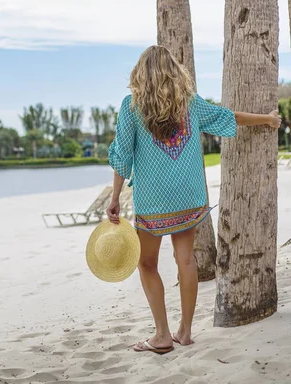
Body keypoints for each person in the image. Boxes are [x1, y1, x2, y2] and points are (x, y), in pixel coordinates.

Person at [107, 45, 281, 355]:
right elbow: (229, 117)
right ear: (174, 72)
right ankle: (184, 333)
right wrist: (267, 120)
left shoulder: (131, 107)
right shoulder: (189, 105)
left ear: (140, 74)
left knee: (146, 263)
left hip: (153, 202)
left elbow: (122, 154)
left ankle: (162, 335)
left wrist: (115, 196)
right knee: (185, 259)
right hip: (189, 196)